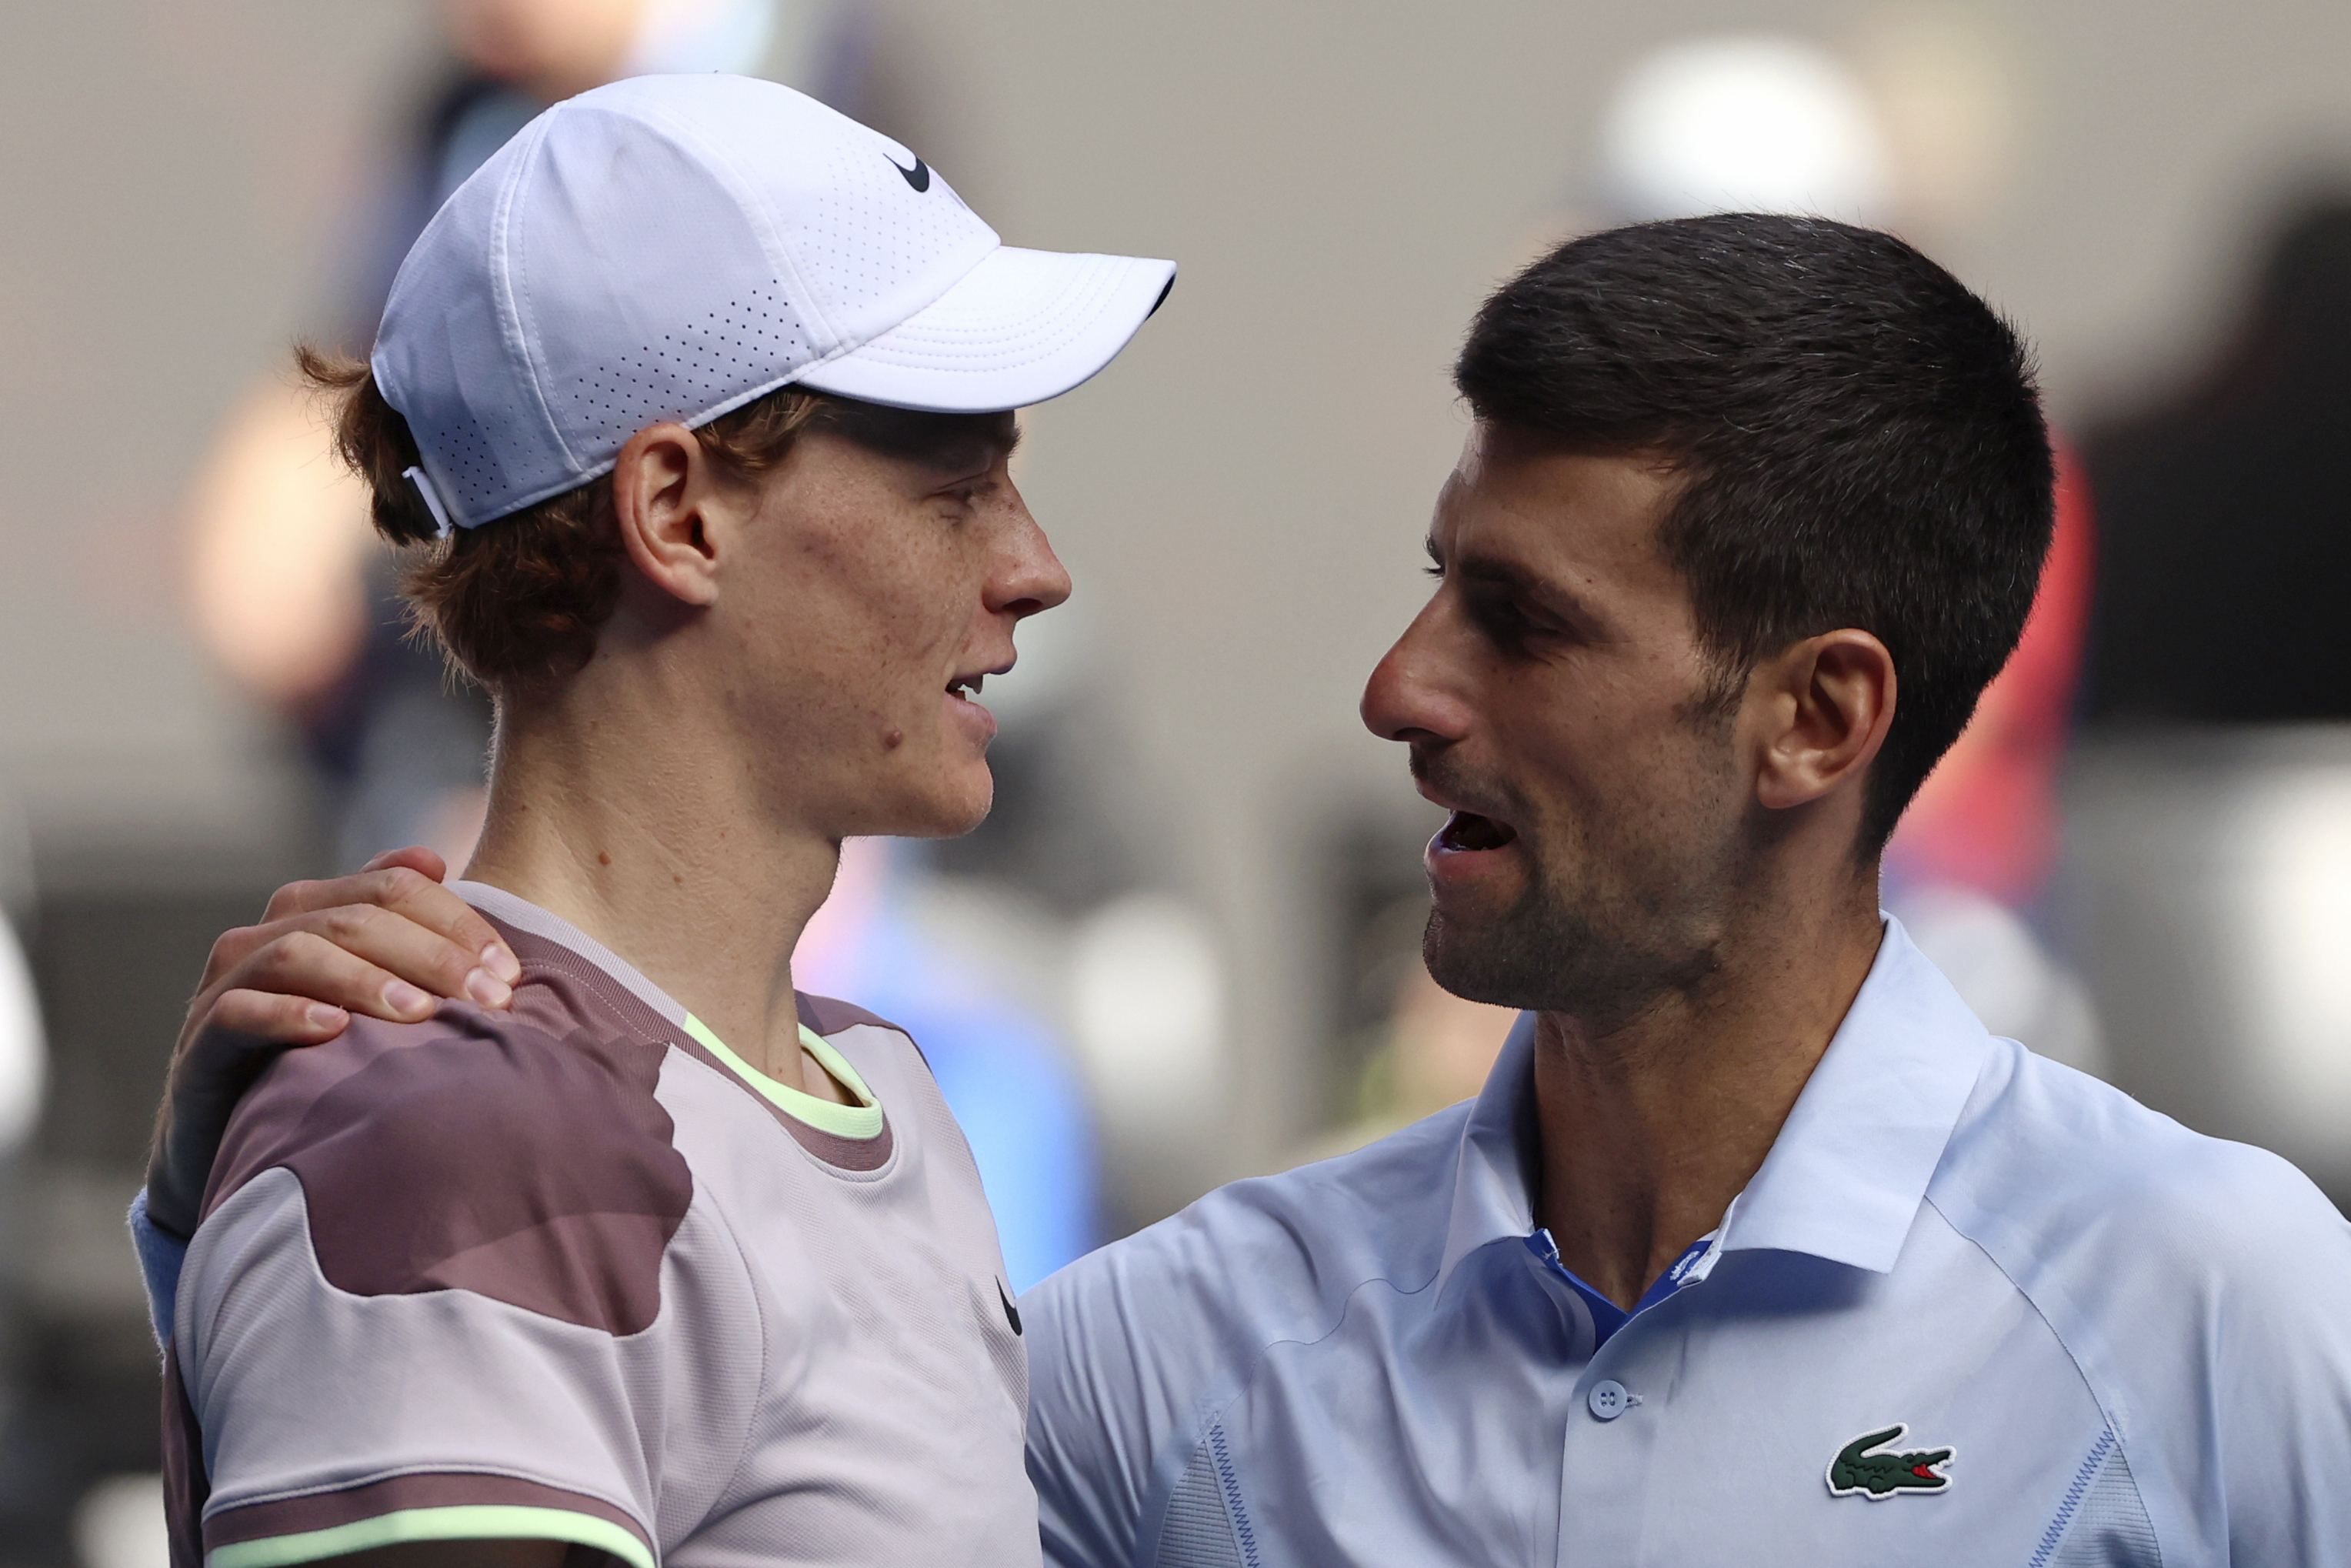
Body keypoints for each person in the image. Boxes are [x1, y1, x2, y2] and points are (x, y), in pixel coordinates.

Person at [142, 216, 2351, 1563]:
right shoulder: (1157, 1357)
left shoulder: (2223, 1310)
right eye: (1430, 586)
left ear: (1818, 718)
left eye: (1524, 618)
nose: (1400, 687)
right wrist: (246, 1207)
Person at [142, 72, 1172, 1568]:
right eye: (957, 486)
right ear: (680, 513)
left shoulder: (876, 1087)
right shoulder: (463, 1139)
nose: (1035, 567)